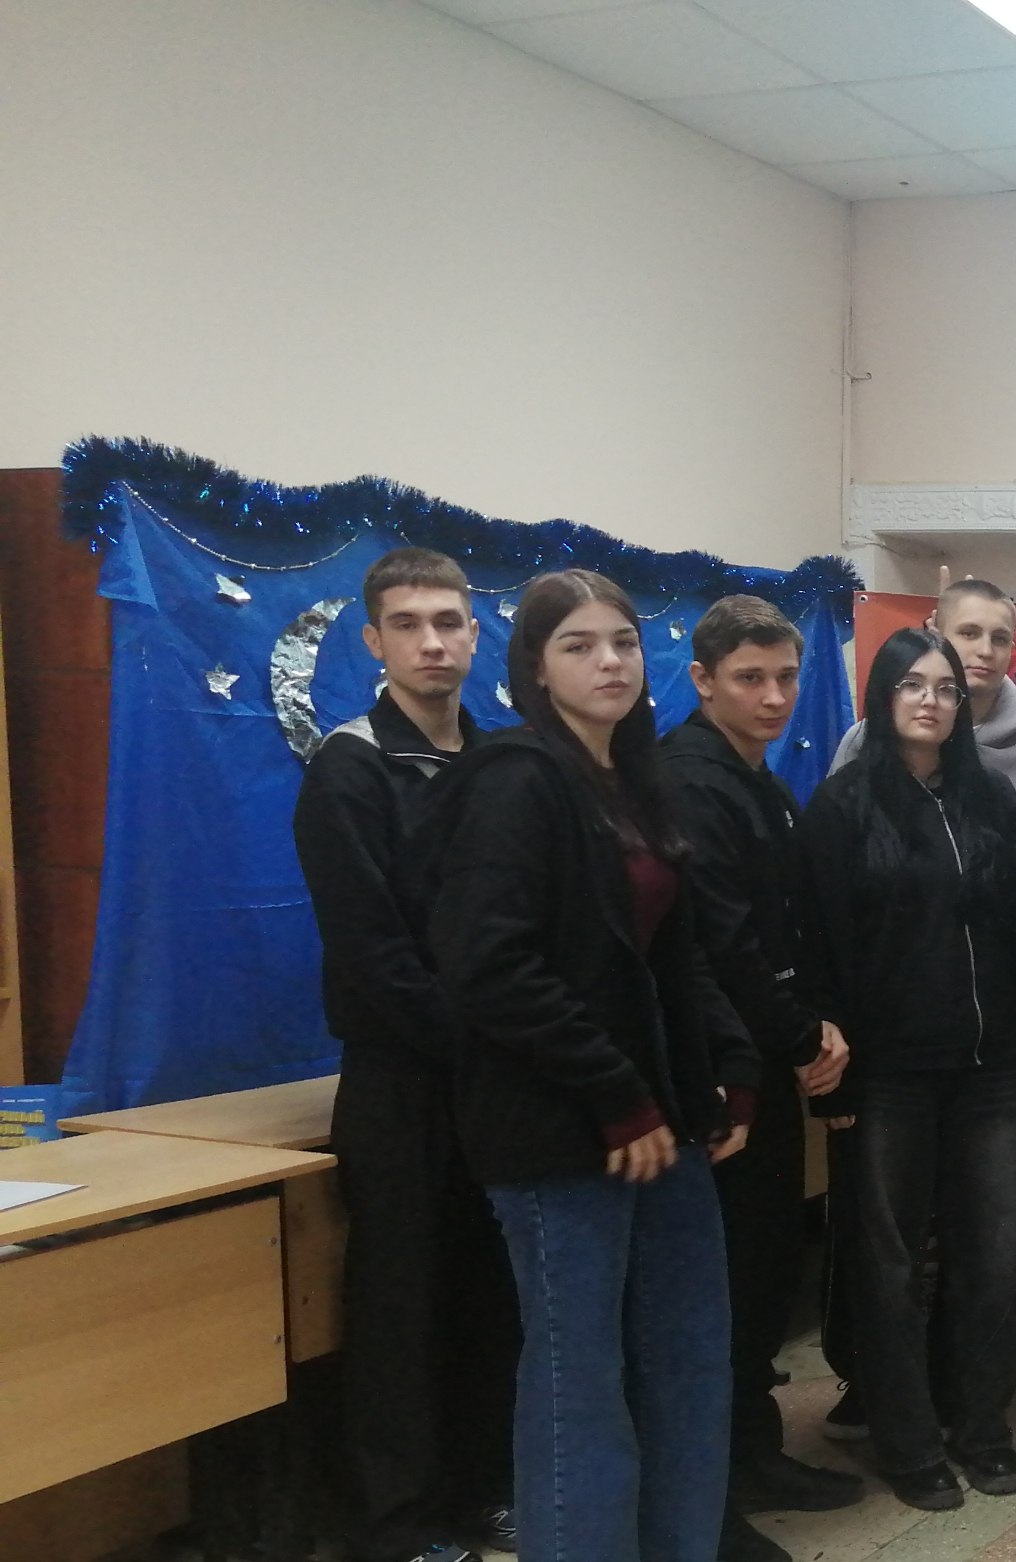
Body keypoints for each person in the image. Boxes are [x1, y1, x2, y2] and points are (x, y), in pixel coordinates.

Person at [411, 569, 759, 1562]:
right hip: (561, 1130)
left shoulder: (635, 778)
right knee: (581, 1381)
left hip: (662, 1120)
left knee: (691, 1359)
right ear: (535, 667)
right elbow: (490, 968)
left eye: (623, 642)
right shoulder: (515, 779)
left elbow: (671, 957)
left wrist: (728, 1062)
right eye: (579, 645)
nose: (609, 661)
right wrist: (616, 1095)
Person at [798, 628, 1016, 1513]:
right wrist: (836, 1079)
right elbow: (822, 951)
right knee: (889, 1266)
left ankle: (982, 1428)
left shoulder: (991, 798)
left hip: (991, 1072)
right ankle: (908, 1442)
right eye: (912, 685)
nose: (931, 701)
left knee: (994, 1258)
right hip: (889, 1077)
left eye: (945, 688)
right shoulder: (842, 806)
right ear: (883, 697)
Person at [293, 547, 513, 1562]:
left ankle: (481, 1491)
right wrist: (478, 1042)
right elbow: (373, 948)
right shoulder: (350, 766)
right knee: (401, 1305)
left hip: (494, 1080)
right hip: (402, 1079)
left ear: (475, 631)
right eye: (410, 624)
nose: (434, 642)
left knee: (488, 1291)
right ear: (373, 640)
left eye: (449, 621)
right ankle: (399, 1524)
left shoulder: (500, 760)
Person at [661, 596, 861, 1562]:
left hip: (770, 1060)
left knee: (763, 1272)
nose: (774, 696)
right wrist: (798, 1035)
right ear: (703, 680)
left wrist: (811, 1028)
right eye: (750, 678)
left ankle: (755, 1454)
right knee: (719, 1290)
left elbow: (794, 924)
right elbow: (723, 940)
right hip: (719, 1073)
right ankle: (709, 1492)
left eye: (786, 676)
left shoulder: (762, 781)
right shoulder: (688, 781)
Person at [832, 576, 1016, 821]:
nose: (985, 651)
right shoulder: (866, 739)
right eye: (969, 633)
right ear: (936, 635)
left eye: (999, 639)